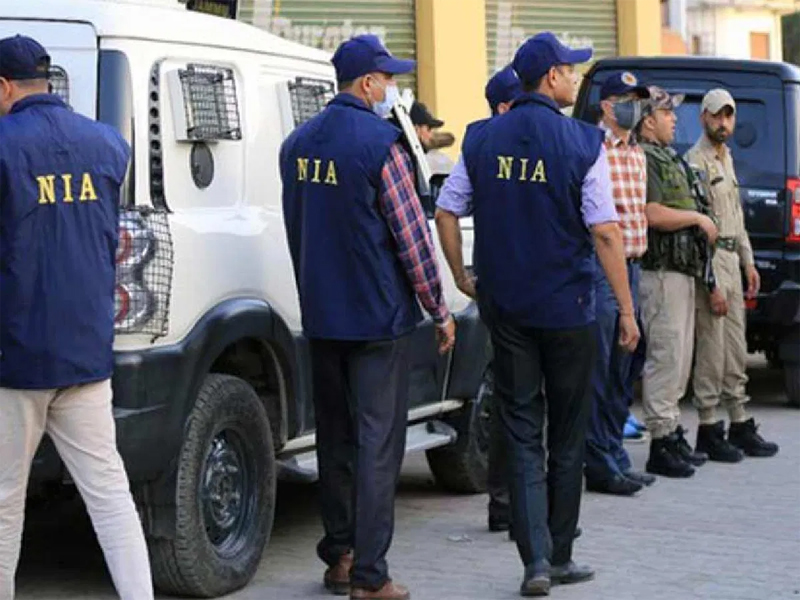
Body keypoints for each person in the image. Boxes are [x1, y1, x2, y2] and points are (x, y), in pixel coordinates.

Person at [438, 33, 640, 597]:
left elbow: (447, 210)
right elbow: (605, 231)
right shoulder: (582, 141)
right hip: (569, 309)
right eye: (570, 70)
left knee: (522, 429)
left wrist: (461, 276)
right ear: (551, 77)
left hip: (506, 308)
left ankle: (535, 562)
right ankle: (561, 552)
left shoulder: (482, 137)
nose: (575, 79)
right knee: (567, 434)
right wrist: (626, 309)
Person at [279, 34, 456, 600]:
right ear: (368, 83)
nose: (393, 89)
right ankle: (370, 577)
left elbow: (296, 226)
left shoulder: (296, 144)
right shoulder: (383, 145)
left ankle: (341, 556)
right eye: (389, 79)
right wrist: (439, 308)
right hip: (377, 319)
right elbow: (411, 239)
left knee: (335, 439)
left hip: (323, 315)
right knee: (379, 446)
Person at [0, 35, 153, 600]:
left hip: (16, 357)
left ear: (3, 86)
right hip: (86, 353)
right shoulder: (107, 143)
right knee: (109, 494)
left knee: (4, 501)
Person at [435, 64, 521, 535]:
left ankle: (505, 504)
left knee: (509, 397)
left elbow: (446, 210)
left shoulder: (478, 146)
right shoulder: (544, 141)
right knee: (528, 403)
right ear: (506, 107)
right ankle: (525, 508)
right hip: (542, 295)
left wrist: (462, 276)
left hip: (496, 289)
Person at [686, 89, 779, 461]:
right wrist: (710, 283)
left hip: (731, 259)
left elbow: (736, 218)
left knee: (736, 347)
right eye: (716, 115)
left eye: (728, 116)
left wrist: (748, 262)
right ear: (703, 118)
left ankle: (739, 422)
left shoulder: (726, 158)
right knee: (712, 349)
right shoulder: (695, 162)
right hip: (711, 261)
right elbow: (697, 230)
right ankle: (708, 427)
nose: (723, 123)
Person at [637, 86, 718, 479]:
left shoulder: (667, 156)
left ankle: (670, 433)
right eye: (667, 113)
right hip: (661, 271)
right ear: (648, 119)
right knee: (666, 356)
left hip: (681, 271)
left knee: (680, 358)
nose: (673, 119)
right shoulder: (646, 157)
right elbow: (651, 212)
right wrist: (697, 219)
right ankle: (660, 442)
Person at [584, 72, 656, 496]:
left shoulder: (636, 152)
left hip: (633, 266)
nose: (635, 107)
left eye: (638, 99)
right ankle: (598, 461)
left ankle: (614, 453)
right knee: (604, 363)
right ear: (607, 106)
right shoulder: (593, 149)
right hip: (602, 269)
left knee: (626, 365)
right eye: (627, 99)